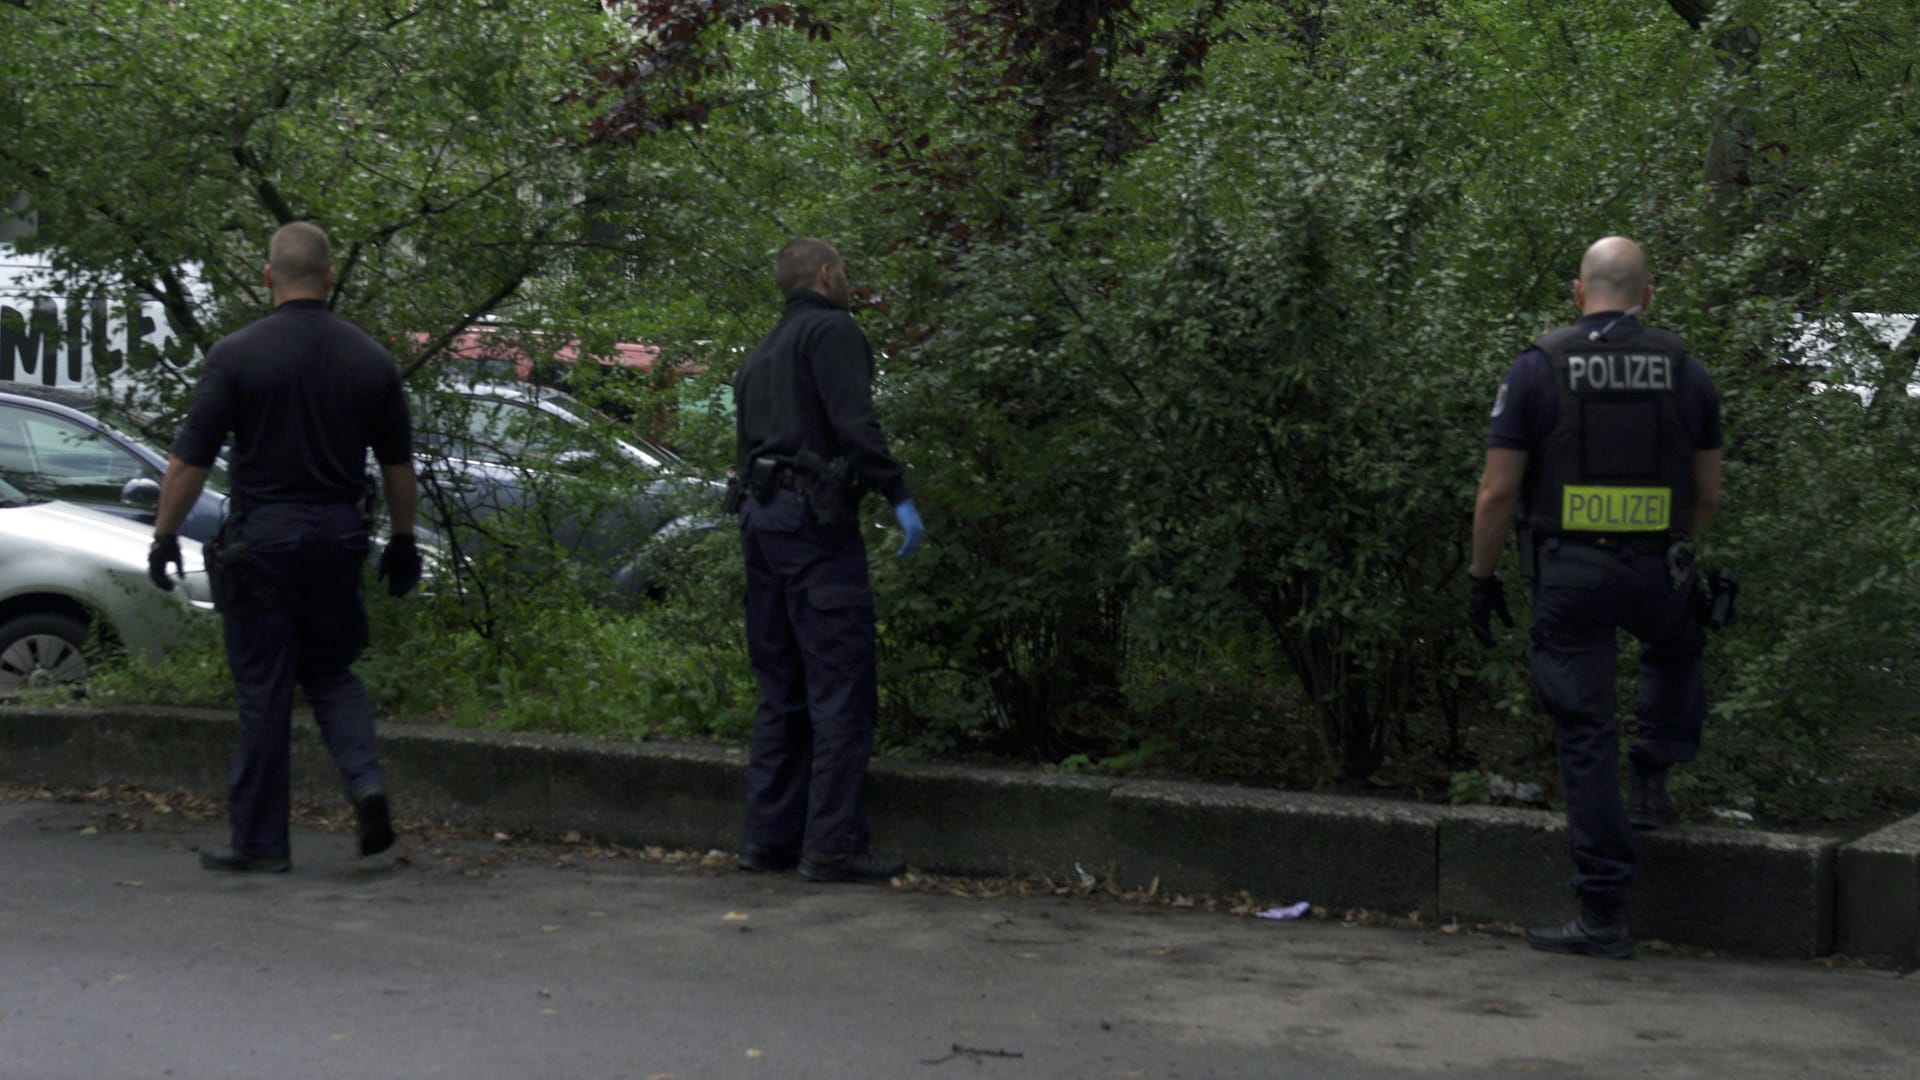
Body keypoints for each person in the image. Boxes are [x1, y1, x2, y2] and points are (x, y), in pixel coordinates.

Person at [1467, 236, 1723, 959]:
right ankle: (1655, 768)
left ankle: (1604, 911)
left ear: (1579, 295)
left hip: (1570, 576)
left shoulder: (1538, 367)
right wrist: (1671, 544)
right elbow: (1707, 496)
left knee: (1584, 733)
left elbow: (1497, 491)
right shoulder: (1687, 372)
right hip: (1656, 571)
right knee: (1678, 640)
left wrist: (1481, 580)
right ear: (1647, 297)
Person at [148, 221, 422, 874]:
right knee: (331, 672)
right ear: (328, 278)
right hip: (337, 540)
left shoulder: (237, 357)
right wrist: (404, 540)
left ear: (270, 276)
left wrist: (163, 535)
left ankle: (261, 844)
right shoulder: (370, 360)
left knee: (264, 689)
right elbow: (398, 466)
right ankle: (367, 786)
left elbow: (190, 461)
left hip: (265, 542)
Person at [729, 237, 925, 884]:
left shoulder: (761, 353)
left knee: (780, 687)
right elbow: (854, 422)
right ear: (823, 275)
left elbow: (746, 447)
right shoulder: (833, 332)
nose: (848, 280)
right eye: (844, 270)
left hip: (761, 523)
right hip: (814, 529)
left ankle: (768, 840)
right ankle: (832, 846)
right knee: (840, 688)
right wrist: (896, 494)